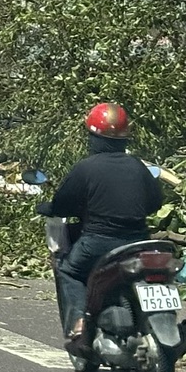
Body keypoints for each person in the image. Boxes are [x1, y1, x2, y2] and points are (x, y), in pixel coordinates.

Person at [36, 101, 162, 349]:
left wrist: (47, 207)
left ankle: (80, 324)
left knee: (68, 269)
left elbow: (62, 204)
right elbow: (155, 202)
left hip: (98, 241)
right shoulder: (138, 167)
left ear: (93, 137)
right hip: (139, 242)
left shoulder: (86, 168)